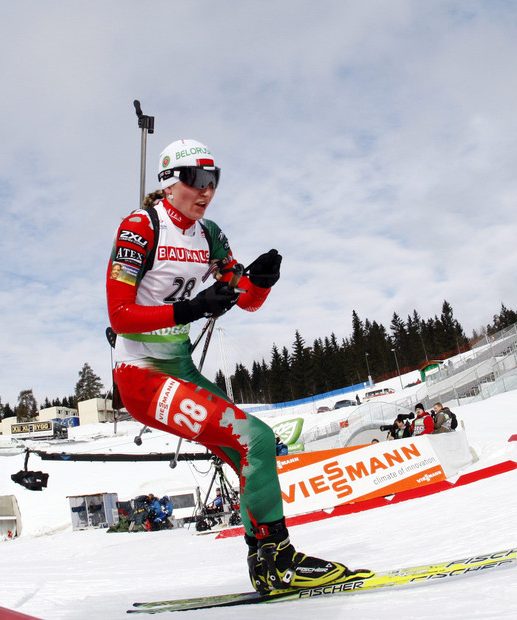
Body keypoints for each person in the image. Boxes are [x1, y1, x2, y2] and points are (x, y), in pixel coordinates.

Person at [106, 138, 370, 592]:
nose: (206, 191)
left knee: (248, 451)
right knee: (257, 438)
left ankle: (268, 559)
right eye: (196, 180)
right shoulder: (141, 226)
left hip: (179, 369)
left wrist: (260, 282)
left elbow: (240, 298)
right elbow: (120, 315)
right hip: (142, 376)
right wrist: (190, 309)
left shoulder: (210, 235)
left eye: (214, 180)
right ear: (170, 182)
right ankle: (277, 558)